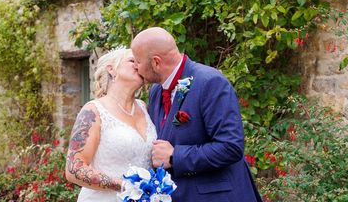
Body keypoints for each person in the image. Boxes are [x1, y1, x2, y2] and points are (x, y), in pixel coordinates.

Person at [131, 27, 263, 202]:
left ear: (156, 62)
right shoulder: (156, 91)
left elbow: (231, 146)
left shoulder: (210, 82)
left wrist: (174, 156)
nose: (135, 67)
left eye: (137, 61)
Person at [65, 48, 157, 201]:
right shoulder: (93, 111)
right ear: (112, 69)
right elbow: (74, 169)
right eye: (132, 61)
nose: (138, 66)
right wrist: (125, 186)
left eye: (140, 62)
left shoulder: (144, 107)